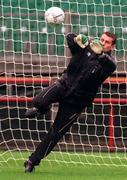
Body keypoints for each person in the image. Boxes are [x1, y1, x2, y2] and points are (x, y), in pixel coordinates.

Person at [24, 31, 117, 172]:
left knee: (56, 133)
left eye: (107, 42)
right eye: (102, 40)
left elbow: (108, 63)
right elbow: (69, 38)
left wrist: (100, 53)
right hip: (63, 85)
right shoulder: (85, 48)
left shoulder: (109, 65)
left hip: (77, 102)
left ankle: (32, 161)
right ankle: (42, 110)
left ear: (112, 47)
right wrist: (78, 38)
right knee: (38, 101)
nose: (103, 43)